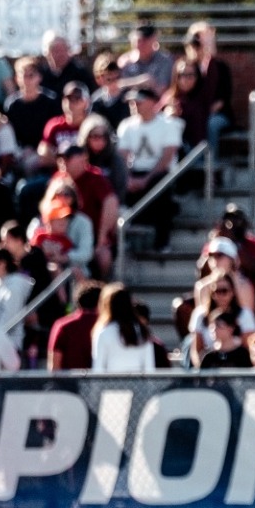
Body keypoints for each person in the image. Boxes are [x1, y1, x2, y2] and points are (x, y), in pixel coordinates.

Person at [117, 86, 183, 248]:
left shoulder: (168, 124)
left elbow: (167, 157)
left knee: (161, 190)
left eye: (139, 101)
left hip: (160, 173)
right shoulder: (126, 125)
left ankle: (162, 243)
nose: (134, 105)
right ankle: (122, 242)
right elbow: (122, 156)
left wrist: (146, 179)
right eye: (132, 102)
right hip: (134, 172)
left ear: (152, 102)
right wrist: (129, 178)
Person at [91, 283, 158, 371]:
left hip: (111, 384)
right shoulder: (142, 331)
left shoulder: (103, 333)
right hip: (138, 384)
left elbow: (98, 369)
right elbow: (149, 369)